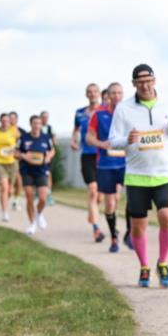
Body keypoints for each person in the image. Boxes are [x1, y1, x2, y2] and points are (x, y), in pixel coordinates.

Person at [108, 64, 168, 287]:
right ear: (133, 84)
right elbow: (113, 141)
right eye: (140, 82)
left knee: (167, 217)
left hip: (165, 173)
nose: (145, 86)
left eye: (148, 81)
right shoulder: (123, 108)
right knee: (138, 225)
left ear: (154, 81)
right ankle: (144, 266)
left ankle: (163, 262)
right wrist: (127, 140)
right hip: (137, 175)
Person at [87, 82, 131, 253]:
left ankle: (129, 233)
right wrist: (102, 144)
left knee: (133, 199)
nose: (117, 96)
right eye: (113, 93)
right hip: (106, 164)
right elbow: (89, 138)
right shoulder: (99, 114)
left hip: (127, 163)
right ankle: (114, 237)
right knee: (110, 202)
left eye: (120, 93)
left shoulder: (129, 113)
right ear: (108, 96)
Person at [73, 83, 105, 243]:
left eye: (94, 91)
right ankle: (96, 229)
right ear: (86, 95)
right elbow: (76, 130)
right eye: (89, 92)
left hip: (102, 156)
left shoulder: (105, 111)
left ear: (99, 94)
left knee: (100, 197)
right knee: (93, 190)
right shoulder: (80, 113)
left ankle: (92, 213)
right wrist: (74, 141)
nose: (92, 94)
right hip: (87, 156)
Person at [17, 114, 55, 235]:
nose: (37, 126)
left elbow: (52, 150)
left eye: (39, 123)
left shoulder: (46, 137)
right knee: (29, 197)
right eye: (35, 123)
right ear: (30, 124)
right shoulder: (24, 137)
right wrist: (24, 156)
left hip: (42, 170)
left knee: (43, 198)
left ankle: (39, 214)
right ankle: (32, 223)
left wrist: (49, 156)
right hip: (27, 171)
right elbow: (15, 152)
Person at [0, 113, 21, 222]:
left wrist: (17, 150)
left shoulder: (14, 130)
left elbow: (21, 143)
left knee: (10, 190)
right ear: (0, 121)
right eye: (3, 121)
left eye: (7, 121)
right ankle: (5, 212)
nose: (5, 123)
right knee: (4, 187)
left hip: (12, 162)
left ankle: (6, 201)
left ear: (10, 122)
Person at [8, 111, 25, 210]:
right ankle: (6, 199)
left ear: (17, 119)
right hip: (6, 160)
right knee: (9, 182)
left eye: (13, 118)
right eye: (10, 118)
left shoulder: (22, 132)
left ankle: (15, 201)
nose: (11, 120)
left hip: (18, 159)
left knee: (19, 181)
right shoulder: (4, 131)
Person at [40, 110, 57, 206]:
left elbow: (54, 142)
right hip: (37, 154)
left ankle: (48, 194)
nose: (45, 119)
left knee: (48, 174)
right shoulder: (37, 127)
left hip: (47, 154)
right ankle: (38, 194)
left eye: (46, 117)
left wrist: (50, 151)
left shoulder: (50, 128)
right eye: (43, 117)